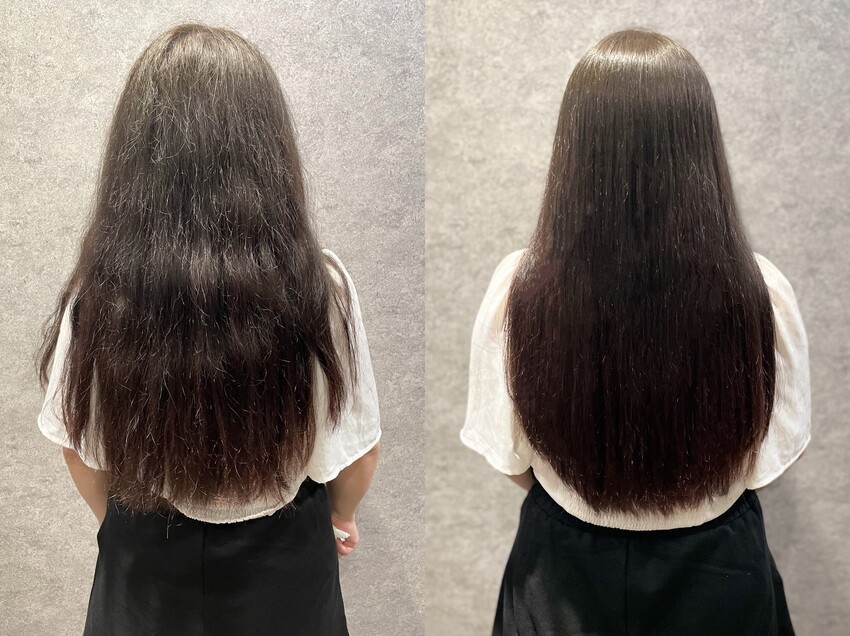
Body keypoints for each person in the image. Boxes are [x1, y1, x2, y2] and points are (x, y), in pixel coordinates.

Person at [460, 28, 810, 636]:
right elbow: (767, 459)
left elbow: (511, 454)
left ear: (576, 149)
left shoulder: (521, 290)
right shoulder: (760, 293)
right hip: (719, 572)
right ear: (700, 145)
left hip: (561, 576)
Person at [35, 24, 381, 636]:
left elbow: (75, 443)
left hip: (143, 571)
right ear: (268, 148)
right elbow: (357, 451)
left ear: (134, 154)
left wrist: (124, 529)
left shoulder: (100, 290)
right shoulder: (320, 286)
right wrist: (343, 515)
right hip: (286, 571)